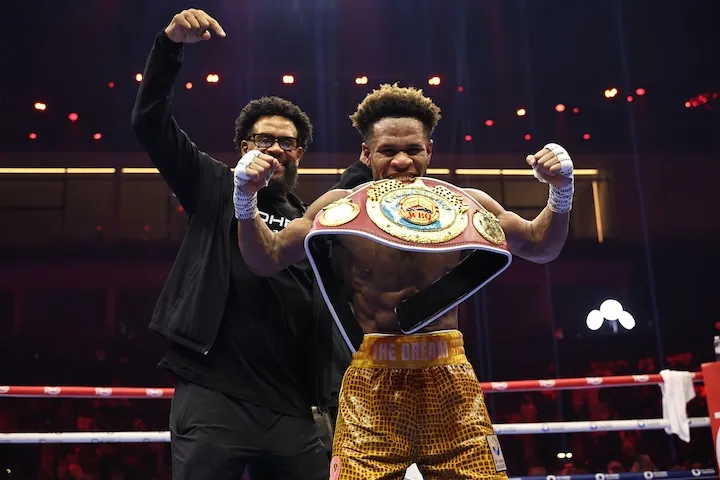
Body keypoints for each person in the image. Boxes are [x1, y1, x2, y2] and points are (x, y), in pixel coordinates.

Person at [233, 83, 574, 479]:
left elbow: (539, 245)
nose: (401, 161)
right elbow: (269, 257)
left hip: (448, 378)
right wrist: (245, 200)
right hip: (372, 382)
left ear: (429, 150)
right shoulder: (340, 208)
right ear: (366, 153)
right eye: (387, 151)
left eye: (413, 149)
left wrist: (560, 191)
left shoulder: (464, 204)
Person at [131, 9, 330, 480]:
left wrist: (327, 397)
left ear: (299, 154)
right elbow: (150, 122)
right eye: (265, 139)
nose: (277, 149)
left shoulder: (312, 221)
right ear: (244, 147)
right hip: (213, 395)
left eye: (288, 143)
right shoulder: (213, 185)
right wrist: (169, 46)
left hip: (293, 404)